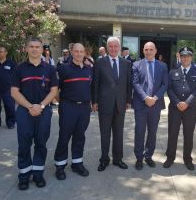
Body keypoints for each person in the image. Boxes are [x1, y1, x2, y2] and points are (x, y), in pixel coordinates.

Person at [11, 37, 58, 190]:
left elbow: (54, 90)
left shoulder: (50, 69)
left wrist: (41, 106)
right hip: (25, 111)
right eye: (31, 46)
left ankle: (38, 174)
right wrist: (31, 106)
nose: (34, 49)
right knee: (24, 144)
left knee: (41, 143)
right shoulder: (19, 68)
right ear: (26, 49)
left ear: (42, 49)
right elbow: (14, 91)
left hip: (44, 111)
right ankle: (24, 176)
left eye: (37, 46)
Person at [54, 43, 93, 180]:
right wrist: (63, 103)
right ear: (71, 52)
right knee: (64, 136)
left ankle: (77, 163)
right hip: (68, 107)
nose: (78, 54)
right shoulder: (63, 68)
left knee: (80, 136)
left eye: (81, 51)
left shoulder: (89, 69)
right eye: (76, 51)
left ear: (84, 53)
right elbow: (55, 90)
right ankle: (60, 166)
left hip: (84, 108)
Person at [92, 37, 132, 171]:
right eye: (111, 46)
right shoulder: (99, 62)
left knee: (119, 133)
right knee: (105, 133)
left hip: (120, 104)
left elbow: (128, 84)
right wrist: (95, 101)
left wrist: (128, 101)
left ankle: (118, 159)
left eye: (116, 46)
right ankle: (104, 159)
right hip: (104, 103)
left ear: (119, 48)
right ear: (107, 48)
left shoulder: (126, 63)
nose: (113, 49)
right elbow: (95, 83)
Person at [164, 47, 196, 170]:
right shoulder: (172, 72)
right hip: (175, 108)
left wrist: (187, 102)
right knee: (172, 134)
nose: (185, 58)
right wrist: (177, 102)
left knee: (188, 135)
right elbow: (169, 89)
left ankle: (187, 159)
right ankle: (170, 157)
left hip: (190, 109)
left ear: (191, 57)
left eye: (188, 56)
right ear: (179, 57)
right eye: (183, 56)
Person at [132, 41, 168, 170]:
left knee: (152, 132)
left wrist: (155, 98)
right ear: (143, 51)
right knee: (140, 131)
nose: (148, 51)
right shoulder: (136, 65)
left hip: (156, 104)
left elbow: (165, 84)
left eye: (151, 49)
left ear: (155, 51)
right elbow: (135, 83)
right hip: (141, 104)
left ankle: (148, 156)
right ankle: (139, 158)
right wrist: (145, 98)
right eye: (146, 49)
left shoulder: (163, 66)